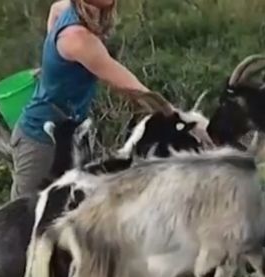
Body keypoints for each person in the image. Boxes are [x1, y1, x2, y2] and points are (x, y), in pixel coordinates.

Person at [9, 0, 160, 200]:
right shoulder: (77, 38)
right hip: (40, 141)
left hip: (70, 134)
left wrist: (53, 63)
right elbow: (131, 88)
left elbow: (55, 9)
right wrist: (173, 114)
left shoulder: (72, 10)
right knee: (25, 217)